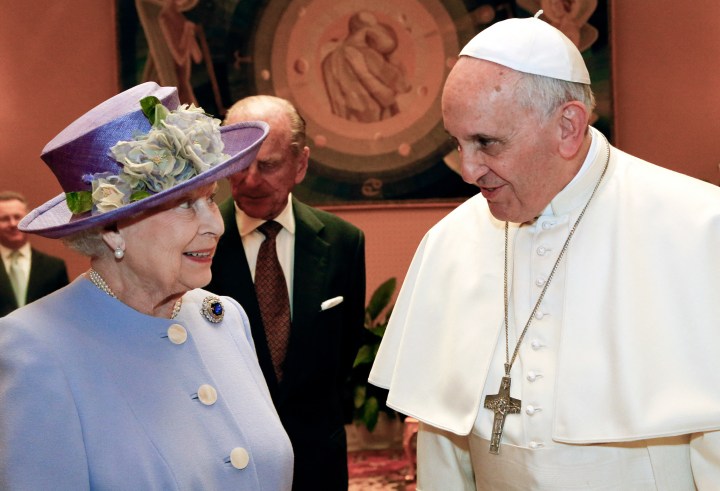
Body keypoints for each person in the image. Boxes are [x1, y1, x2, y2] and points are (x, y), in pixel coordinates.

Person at [369, 11, 720, 490]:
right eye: (457, 142)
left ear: (568, 127)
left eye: (486, 143)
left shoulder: (696, 227)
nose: (467, 170)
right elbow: (443, 440)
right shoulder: (451, 241)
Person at [0, 82, 293, 489]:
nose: (216, 224)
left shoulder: (224, 318)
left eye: (210, 198)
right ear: (113, 229)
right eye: (184, 205)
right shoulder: (35, 346)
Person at [207, 95, 366, 490]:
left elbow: (343, 352)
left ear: (301, 164)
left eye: (269, 165)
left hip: (317, 458)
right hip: (224, 458)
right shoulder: (198, 243)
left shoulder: (344, 243)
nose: (250, 180)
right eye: (240, 164)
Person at [0, 191, 69, 316]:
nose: (13, 224)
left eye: (18, 217)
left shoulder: (54, 267)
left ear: (28, 220)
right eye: (4, 219)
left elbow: (63, 313)